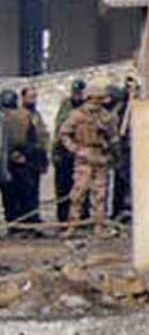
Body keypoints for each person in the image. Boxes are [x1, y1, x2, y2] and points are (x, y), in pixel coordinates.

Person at [60, 83, 118, 235]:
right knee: (78, 193)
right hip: (84, 155)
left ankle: (99, 225)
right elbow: (64, 133)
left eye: (100, 99)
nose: (98, 102)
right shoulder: (77, 115)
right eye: (96, 98)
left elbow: (113, 138)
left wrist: (112, 154)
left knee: (100, 193)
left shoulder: (106, 116)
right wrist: (76, 149)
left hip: (100, 155)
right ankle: (72, 225)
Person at [0, 89, 46, 229]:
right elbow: (33, 139)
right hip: (22, 159)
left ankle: (16, 224)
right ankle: (27, 222)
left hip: (9, 160)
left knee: (11, 195)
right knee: (27, 193)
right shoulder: (26, 116)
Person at [53, 79, 87, 223]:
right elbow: (59, 131)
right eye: (75, 92)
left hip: (82, 154)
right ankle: (63, 218)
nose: (77, 96)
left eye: (79, 93)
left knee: (83, 187)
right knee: (63, 187)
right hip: (64, 153)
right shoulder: (65, 106)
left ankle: (82, 217)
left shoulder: (88, 108)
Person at [106, 81, 133, 222]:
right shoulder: (114, 110)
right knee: (117, 181)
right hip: (117, 149)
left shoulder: (126, 107)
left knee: (123, 180)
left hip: (125, 149)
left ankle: (122, 209)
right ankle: (117, 210)